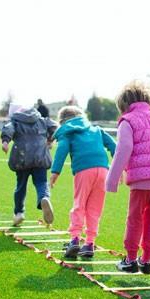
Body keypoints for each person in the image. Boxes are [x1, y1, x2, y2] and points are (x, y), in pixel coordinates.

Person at [106, 80, 150, 274]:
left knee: (134, 219)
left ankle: (130, 260)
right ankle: (146, 260)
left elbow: (124, 149)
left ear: (124, 105)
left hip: (141, 180)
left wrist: (112, 180)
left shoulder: (127, 121)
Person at [50, 105, 116, 258]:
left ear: (63, 121)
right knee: (95, 208)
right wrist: (121, 167)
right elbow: (114, 146)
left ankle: (74, 240)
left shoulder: (68, 131)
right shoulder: (96, 129)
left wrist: (55, 172)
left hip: (84, 170)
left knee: (79, 204)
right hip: (103, 170)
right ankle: (89, 243)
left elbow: (62, 150)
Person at [1, 104, 58, 226]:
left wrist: (5, 142)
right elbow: (55, 126)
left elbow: (8, 128)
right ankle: (44, 198)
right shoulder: (40, 119)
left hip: (22, 159)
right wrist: (50, 140)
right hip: (40, 157)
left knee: (21, 186)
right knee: (41, 182)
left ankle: (19, 213)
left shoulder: (15, 121)